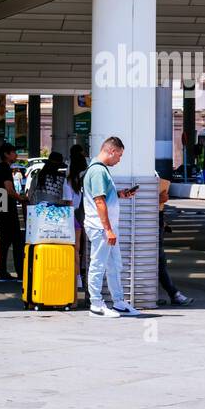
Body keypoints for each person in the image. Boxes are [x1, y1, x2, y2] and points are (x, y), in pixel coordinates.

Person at [83, 136, 139, 318]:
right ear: (111, 151)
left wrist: (120, 194)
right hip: (101, 228)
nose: (119, 159)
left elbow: (103, 196)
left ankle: (119, 302)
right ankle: (96, 304)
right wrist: (107, 229)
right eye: (119, 155)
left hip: (106, 228)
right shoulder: (98, 171)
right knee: (98, 264)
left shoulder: (100, 170)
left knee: (114, 265)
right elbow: (99, 201)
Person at [0, 142, 28, 281]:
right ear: (6, 154)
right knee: (16, 240)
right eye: (13, 152)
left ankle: (3, 271)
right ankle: (18, 272)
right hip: (7, 209)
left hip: (0, 209)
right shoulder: (6, 169)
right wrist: (21, 198)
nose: (15, 155)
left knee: (5, 241)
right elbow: (9, 189)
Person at [157, 176, 192, 306]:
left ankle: (155, 294)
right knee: (159, 260)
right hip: (150, 221)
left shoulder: (152, 174)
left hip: (157, 219)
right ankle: (173, 294)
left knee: (158, 261)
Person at [67, 144, 89, 299]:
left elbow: (68, 202)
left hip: (74, 215)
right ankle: (84, 273)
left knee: (75, 249)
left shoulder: (69, 179)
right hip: (88, 212)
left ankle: (77, 279)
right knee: (87, 248)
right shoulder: (87, 175)